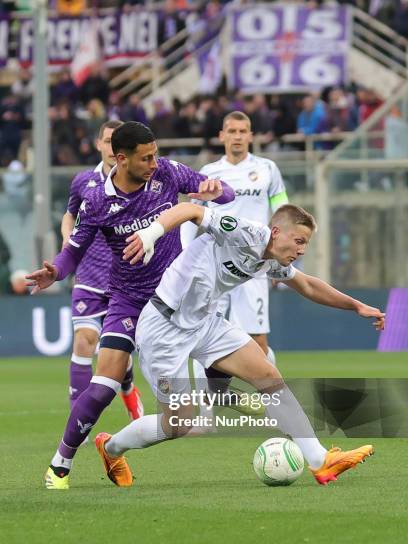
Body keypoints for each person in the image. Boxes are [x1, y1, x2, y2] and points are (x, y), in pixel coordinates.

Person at [93, 202, 385, 488]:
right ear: (275, 232)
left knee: (269, 376)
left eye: (305, 244)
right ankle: (112, 449)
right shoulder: (244, 232)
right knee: (177, 425)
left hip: (205, 323)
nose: (301, 250)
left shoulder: (272, 260)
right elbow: (191, 211)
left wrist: (357, 306)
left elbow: (307, 284)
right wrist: (150, 233)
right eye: (298, 241)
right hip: (163, 329)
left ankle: (319, 460)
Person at [26, 121, 235, 490]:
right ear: (121, 159)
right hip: (130, 301)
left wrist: (217, 191)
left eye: (155, 154)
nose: (155, 162)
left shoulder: (167, 173)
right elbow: (73, 252)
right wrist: (55, 271)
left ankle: (234, 407)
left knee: (225, 365)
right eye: (146, 157)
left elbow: (225, 195)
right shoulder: (97, 201)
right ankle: (60, 464)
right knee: (105, 384)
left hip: (176, 297)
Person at [181, 111, 288, 404]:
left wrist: (281, 257)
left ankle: (273, 399)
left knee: (257, 340)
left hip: (253, 266)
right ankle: (206, 406)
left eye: (243, 131)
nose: (238, 136)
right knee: (201, 336)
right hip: (213, 267)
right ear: (222, 135)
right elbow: (192, 216)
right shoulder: (209, 172)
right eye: (232, 130)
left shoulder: (268, 169)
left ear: (251, 136)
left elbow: (282, 212)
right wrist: (185, 262)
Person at [60, 119, 144, 422]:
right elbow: (69, 216)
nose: (112, 148)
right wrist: (68, 244)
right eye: (107, 141)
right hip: (90, 275)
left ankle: (129, 387)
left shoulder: (140, 181)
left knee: (117, 351)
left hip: (126, 279)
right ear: (99, 144)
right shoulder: (83, 182)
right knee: (84, 340)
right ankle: (77, 417)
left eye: (117, 142)